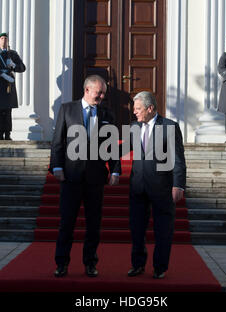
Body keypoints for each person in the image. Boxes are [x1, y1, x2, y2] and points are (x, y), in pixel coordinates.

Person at [50, 75, 121, 278]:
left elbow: (111, 145)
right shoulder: (67, 109)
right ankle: (61, 263)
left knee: (93, 224)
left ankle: (90, 263)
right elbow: (57, 141)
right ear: (87, 90)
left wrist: (115, 169)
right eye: (99, 92)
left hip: (95, 177)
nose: (101, 96)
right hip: (71, 176)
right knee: (67, 223)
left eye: (103, 93)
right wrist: (56, 167)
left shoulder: (107, 113)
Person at [125, 91, 186, 279]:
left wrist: (179, 185)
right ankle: (138, 265)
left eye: (138, 109)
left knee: (163, 230)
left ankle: (160, 267)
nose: (134, 112)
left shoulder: (170, 127)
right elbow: (123, 149)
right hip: (138, 187)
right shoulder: (134, 126)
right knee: (136, 229)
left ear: (150, 108)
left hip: (162, 187)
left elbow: (178, 159)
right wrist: (116, 169)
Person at [0, 33, 26, 141]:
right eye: (2, 38)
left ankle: (8, 133)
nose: (4, 40)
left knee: (8, 109)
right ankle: (0, 133)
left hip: (8, 84)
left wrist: (13, 65)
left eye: (5, 38)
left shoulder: (12, 53)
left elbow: (22, 67)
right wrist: (2, 74)